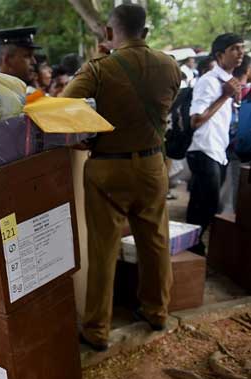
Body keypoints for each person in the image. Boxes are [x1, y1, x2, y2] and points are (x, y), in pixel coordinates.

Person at [61, 4, 181, 351]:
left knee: (102, 250)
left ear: (110, 33)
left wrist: (88, 133)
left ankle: (97, 329)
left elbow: (63, 109)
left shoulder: (100, 69)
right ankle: (157, 310)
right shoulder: (170, 65)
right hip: (151, 165)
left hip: (107, 168)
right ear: (144, 32)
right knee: (155, 240)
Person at [186, 33, 245, 254]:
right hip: (204, 149)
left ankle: (192, 249)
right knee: (206, 204)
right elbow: (196, 120)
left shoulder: (229, 81)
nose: (240, 53)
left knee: (203, 205)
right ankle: (192, 249)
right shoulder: (209, 81)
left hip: (217, 151)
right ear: (220, 55)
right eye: (234, 49)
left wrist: (232, 97)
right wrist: (224, 97)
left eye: (241, 48)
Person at [220, 55, 251, 214]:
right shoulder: (243, 90)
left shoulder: (227, 88)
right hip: (242, 149)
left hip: (231, 147)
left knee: (236, 189)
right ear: (247, 70)